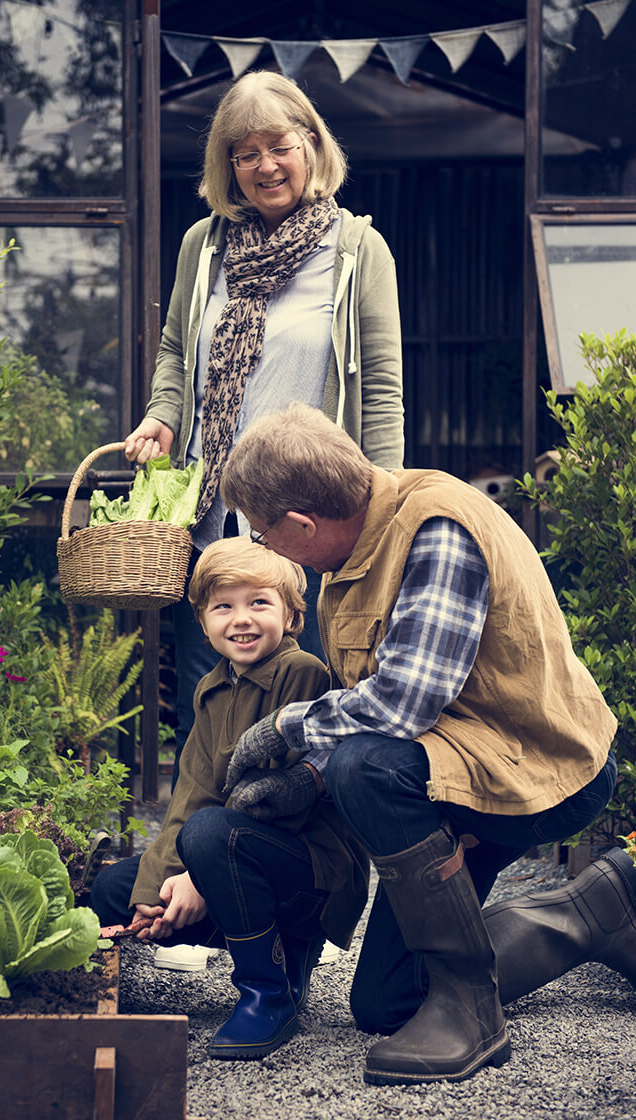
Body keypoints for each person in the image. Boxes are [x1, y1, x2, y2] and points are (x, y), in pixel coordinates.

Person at [218, 402, 631, 1087]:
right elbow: (386, 703)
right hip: (462, 766)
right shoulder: (353, 548)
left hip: (544, 772)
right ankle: (593, 912)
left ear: (300, 525)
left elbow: (399, 705)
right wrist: (312, 779)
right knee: (386, 1003)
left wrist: (288, 730)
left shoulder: (435, 530)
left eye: (263, 533)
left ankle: (471, 1007)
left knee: (365, 765)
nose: (266, 547)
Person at [123, 70, 404, 784]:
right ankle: (199, 846)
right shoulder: (203, 245)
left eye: (278, 145)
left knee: (308, 681)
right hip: (213, 515)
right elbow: (175, 350)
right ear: (227, 167)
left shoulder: (355, 251)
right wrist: (162, 415)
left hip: (311, 517)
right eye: (244, 154)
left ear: (311, 146)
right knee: (207, 689)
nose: (265, 166)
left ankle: (296, 852)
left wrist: (390, 506)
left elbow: (381, 384)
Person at [90, 537, 370, 1059]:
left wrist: (198, 875)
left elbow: (282, 801)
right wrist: (158, 891)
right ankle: (277, 952)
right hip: (232, 852)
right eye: (224, 606)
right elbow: (191, 794)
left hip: (311, 869)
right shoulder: (211, 688)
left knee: (210, 836)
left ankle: (268, 990)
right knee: (115, 888)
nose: (241, 619)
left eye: (259, 602)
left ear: (291, 616)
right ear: (203, 622)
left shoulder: (301, 672)